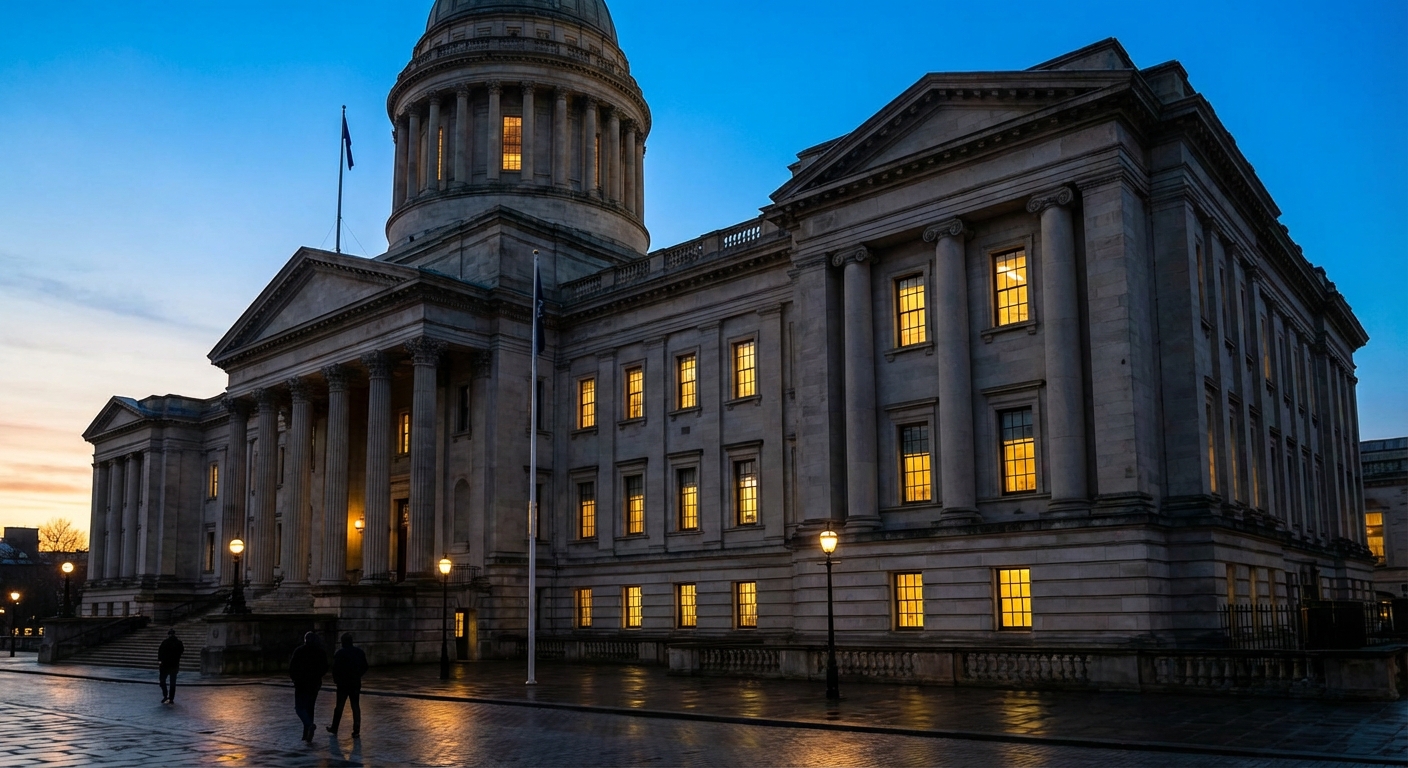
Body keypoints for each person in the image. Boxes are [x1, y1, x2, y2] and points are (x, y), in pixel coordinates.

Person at [326, 633, 369, 738]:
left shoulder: (340, 653)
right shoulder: (359, 652)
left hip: (343, 684)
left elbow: (335, 669)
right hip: (355, 683)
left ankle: (335, 728)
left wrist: (337, 680)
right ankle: (356, 730)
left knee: (339, 707)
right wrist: (358, 675)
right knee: (355, 706)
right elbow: (365, 666)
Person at [288, 632, 328, 742]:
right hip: (314, 683)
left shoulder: (299, 651)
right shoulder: (320, 652)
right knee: (310, 708)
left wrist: (294, 679)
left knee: (299, 708)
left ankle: (308, 727)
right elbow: (325, 667)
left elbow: (292, 667)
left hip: (301, 683)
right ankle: (307, 734)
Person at [157, 629, 184, 704]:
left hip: (165, 665)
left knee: (163, 681)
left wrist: (160, 661)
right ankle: (171, 698)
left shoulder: (165, 642)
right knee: (172, 683)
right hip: (173, 665)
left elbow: (160, 653)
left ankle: (166, 696)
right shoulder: (178, 643)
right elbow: (181, 651)